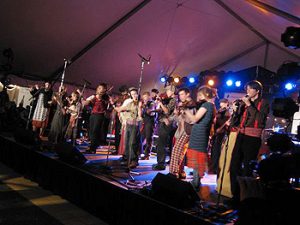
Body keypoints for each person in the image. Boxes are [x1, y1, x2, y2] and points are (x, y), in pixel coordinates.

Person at [229, 80, 270, 203]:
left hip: (252, 138)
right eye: (247, 89)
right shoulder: (243, 103)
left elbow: (259, 118)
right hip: (241, 135)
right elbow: (235, 122)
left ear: (257, 91)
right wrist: (236, 111)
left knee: (247, 167)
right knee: (234, 165)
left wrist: (249, 105)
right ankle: (234, 196)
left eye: (250, 89)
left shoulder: (264, 103)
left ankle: (245, 199)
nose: (247, 91)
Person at [184, 86, 217, 190]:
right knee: (198, 157)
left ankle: (195, 183)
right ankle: (195, 181)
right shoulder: (212, 106)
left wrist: (185, 110)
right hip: (201, 133)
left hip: (199, 133)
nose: (198, 97)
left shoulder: (207, 104)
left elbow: (194, 119)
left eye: (200, 95)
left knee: (197, 156)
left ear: (206, 95)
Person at [169, 88, 196, 179]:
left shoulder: (191, 105)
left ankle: (173, 172)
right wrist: (177, 114)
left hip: (187, 131)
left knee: (176, 150)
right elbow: (176, 121)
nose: (180, 96)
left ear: (188, 94)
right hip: (180, 131)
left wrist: (183, 113)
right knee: (179, 152)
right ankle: (179, 172)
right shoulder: (182, 105)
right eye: (179, 95)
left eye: (182, 94)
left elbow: (191, 120)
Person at [113, 87, 142, 168]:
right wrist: (113, 105)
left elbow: (139, 112)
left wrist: (139, 117)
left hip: (134, 124)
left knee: (133, 143)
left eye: (135, 94)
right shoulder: (129, 103)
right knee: (127, 143)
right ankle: (127, 159)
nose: (134, 95)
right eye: (132, 94)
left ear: (137, 94)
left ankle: (134, 160)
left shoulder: (139, 102)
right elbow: (120, 109)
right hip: (128, 124)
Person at [152, 85, 176, 170]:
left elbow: (166, 111)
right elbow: (161, 110)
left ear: (172, 91)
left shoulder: (173, 100)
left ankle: (161, 164)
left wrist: (161, 103)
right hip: (163, 122)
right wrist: (153, 109)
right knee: (163, 143)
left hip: (167, 123)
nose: (166, 93)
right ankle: (163, 162)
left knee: (161, 143)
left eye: (168, 91)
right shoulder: (167, 100)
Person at [84, 83, 109, 153]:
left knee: (95, 131)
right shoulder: (93, 96)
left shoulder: (105, 98)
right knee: (91, 131)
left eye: (101, 88)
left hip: (99, 116)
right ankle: (93, 145)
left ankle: (93, 148)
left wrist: (101, 96)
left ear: (104, 90)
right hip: (92, 115)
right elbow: (85, 103)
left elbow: (107, 104)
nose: (99, 89)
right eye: (98, 88)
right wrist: (88, 100)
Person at [209, 98, 231, 174]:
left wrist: (220, 128)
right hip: (216, 132)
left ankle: (215, 168)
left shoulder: (226, 112)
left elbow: (224, 122)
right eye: (221, 102)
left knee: (217, 151)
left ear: (226, 103)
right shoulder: (220, 111)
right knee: (214, 151)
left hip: (221, 133)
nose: (221, 104)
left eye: (223, 103)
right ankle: (213, 167)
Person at [140, 91, 156, 160]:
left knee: (148, 138)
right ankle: (139, 152)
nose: (144, 98)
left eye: (146, 97)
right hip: (144, 122)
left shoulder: (152, 103)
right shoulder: (143, 103)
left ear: (149, 97)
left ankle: (147, 154)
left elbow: (150, 112)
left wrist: (145, 106)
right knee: (141, 137)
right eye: (143, 97)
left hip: (150, 122)